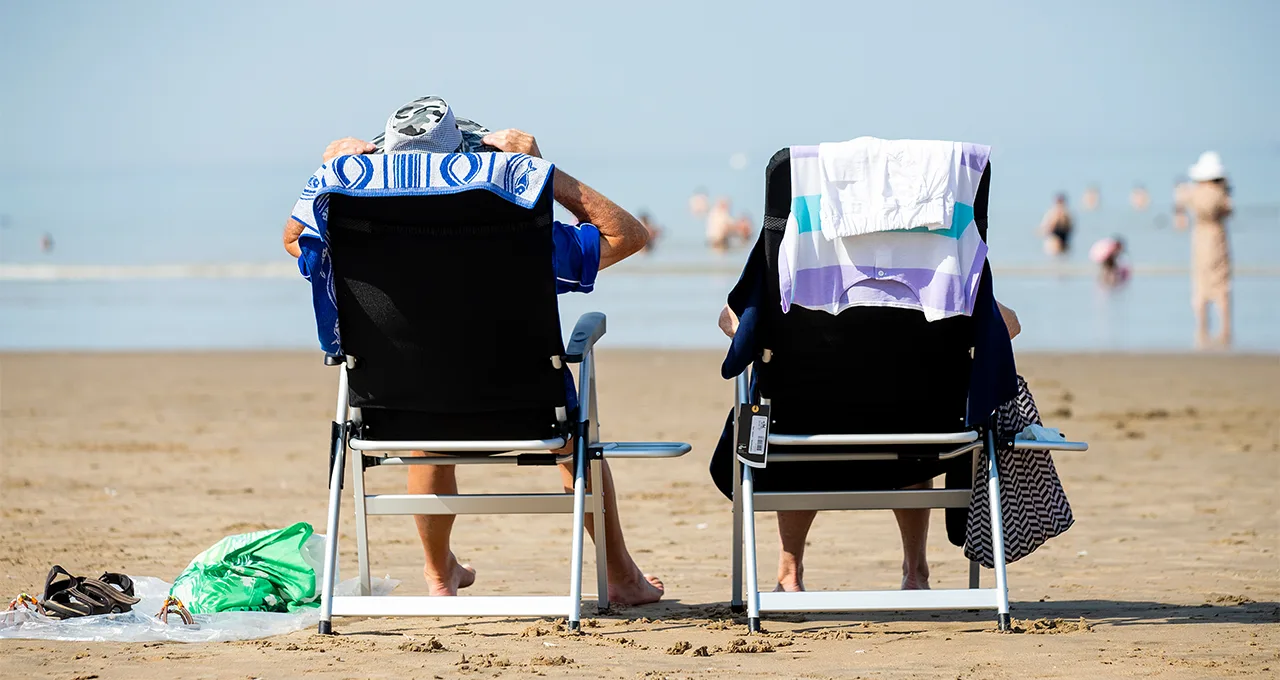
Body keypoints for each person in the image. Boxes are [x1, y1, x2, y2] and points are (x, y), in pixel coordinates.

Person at [282, 96, 664, 604]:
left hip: (398, 412)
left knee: (426, 415)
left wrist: (332, 172)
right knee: (575, 431)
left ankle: (439, 574)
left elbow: (295, 238)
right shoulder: (518, 231)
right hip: (529, 411)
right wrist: (543, 172)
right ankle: (621, 577)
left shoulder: (352, 232)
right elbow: (628, 234)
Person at [715, 300, 1021, 591]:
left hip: (805, 432)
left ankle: (789, 575)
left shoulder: (791, 259)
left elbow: (731, 321)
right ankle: (915, 572)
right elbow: (1008, 325)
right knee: (914, 428)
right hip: (920, 434)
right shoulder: (941, 262)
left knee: (795, 431)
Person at [1175, 151, 1234, 348]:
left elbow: (1181, 202)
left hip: (1199, 238)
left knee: (1200, 285)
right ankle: (1225, 330)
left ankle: (1202, 329)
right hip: (1217, 236)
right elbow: (1228, 211)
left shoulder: (1194, 192)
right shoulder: (1220, 194)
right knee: (1221, 285)